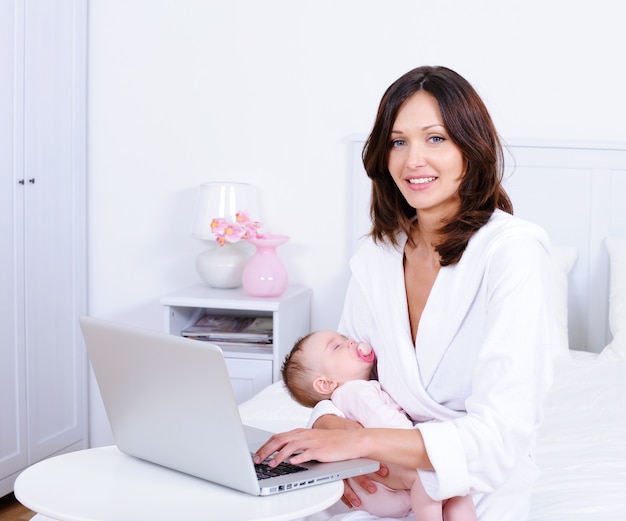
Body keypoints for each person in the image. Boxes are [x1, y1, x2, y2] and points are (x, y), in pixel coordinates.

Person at [254, 65, 555, 521]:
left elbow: (499, 439)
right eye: (398, 142)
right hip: (376, 480)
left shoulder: (512, 251)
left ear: (470, 149)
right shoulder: (376, 255)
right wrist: (331, 430)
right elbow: (344, 380)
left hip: (469, 492)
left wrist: (358, 441)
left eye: (435, 138)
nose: (414, 160)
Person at [282, 329, 477, 520]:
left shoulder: (354, 393)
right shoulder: (354, 391)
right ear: (325, 384)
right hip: (383, 485)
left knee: (450, 482)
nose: (350, 342)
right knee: (437, 478)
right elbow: (387, 423)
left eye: (345, 338)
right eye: (336, 346)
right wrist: (419, 442)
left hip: (380, 490)